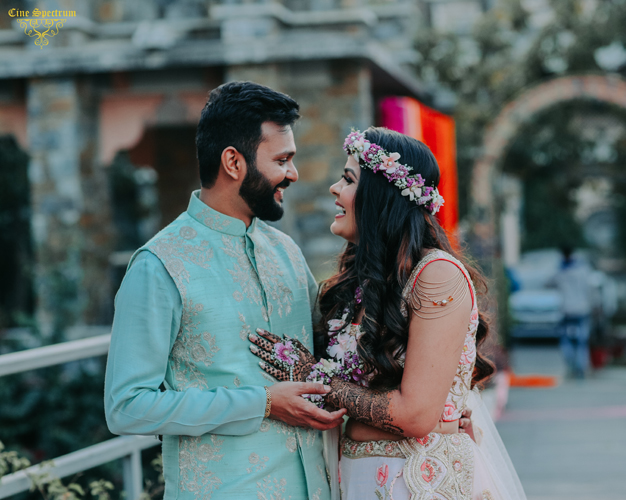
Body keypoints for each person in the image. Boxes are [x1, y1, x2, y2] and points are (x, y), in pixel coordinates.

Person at [250, 127, 526, 499]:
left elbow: (415, 415)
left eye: (348, 179)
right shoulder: (362, 284)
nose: (334, 188)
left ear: (381, 195)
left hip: (419, 481)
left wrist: (315, 378)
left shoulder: (435, 275)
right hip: (359, 478)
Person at [104, 81, 346, 500]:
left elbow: (328, 353)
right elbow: (126, 406)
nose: (293, 173)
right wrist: (263, 402)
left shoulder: (286, 252)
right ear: (234, 162)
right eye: (282, 159)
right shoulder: (160, 264)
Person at [548, 245, 594, 379]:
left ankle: (571, 367)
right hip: (582, 310)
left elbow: (549, 282)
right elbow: (590, 289)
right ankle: (581, 368)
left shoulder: (561, 271)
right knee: (581, 341)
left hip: (567, 310)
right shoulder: (583, 269)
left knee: (566, 340)